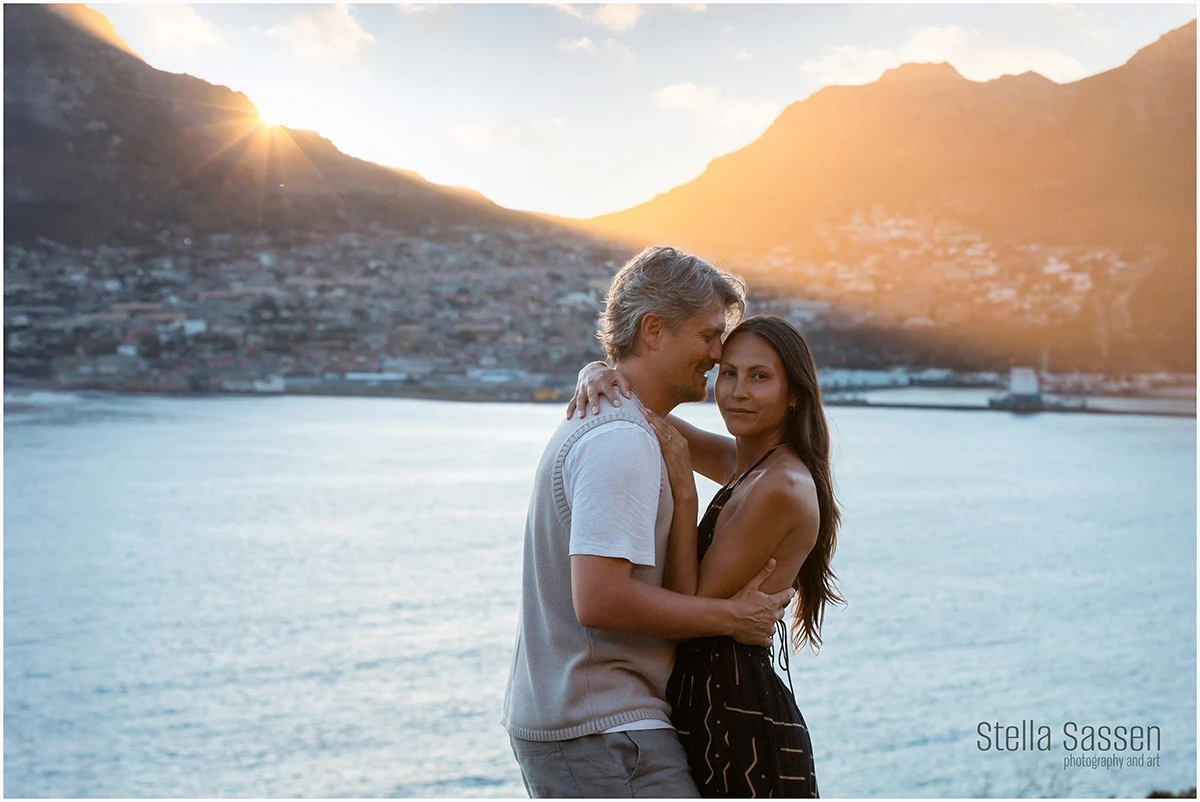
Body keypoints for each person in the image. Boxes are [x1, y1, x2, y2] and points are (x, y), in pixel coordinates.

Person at [502, 247, 798, 798]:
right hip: (603, 730)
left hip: (601, 723)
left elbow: (754, 467)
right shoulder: (622, 440)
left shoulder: (635, 424)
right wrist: (732, 618)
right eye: (708, 336)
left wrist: (600, 370)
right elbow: (600, 600)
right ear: (654, 330)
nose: (717, 355)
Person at [568, 314, 843, 798]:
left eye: (760, 377)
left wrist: (685, 492)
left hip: (737, 716)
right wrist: (596, 372)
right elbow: (648, 412)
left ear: (793, 394)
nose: (738, 392)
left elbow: (687, 607)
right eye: (729, 373)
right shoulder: (750, 464)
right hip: (705, 703)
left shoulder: (780, 485)